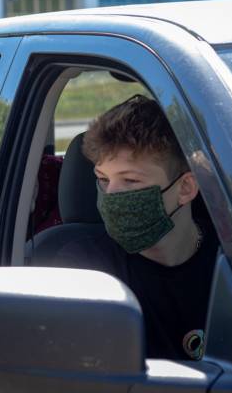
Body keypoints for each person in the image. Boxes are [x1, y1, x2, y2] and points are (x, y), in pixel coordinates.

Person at [54, 95, 219, 361]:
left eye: (130, 180)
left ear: (185, 188)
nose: (111, 195)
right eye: (103, 179)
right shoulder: (83, 267)